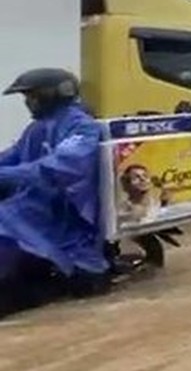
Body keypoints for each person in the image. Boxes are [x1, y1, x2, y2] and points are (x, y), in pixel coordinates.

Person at [0, 68, 109, 316]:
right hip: (31, 206)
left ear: (53, 94)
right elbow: (11, 157)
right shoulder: (36, 129)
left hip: (64, 217)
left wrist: (5, 175)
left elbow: (57, 168)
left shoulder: (82, 127)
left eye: (32, 97)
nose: (28, 103)